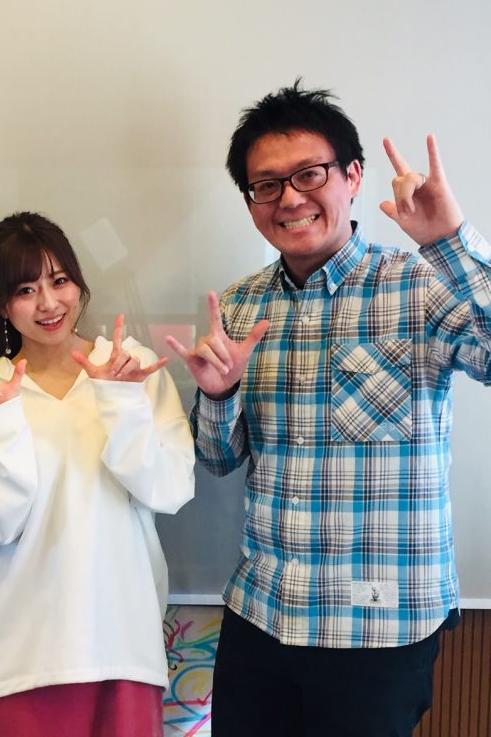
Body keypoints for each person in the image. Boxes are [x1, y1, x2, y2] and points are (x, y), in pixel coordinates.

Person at [165, 81, 491, 736]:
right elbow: (219, 461)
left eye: (309, 174)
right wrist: (219, 395)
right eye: (265, 185)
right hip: (262, 613)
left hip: (378, 624)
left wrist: (451, 241)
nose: (289, 198)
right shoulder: (240, 306)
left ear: (352, 176)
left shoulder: (422, 284)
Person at [0, 212, 195, 737]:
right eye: (25, 290)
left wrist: (120, 402)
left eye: (59, 281)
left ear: (79, 284)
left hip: (123, 645)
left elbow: (172, 489)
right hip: (19, 657)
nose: (48, 303)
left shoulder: (131, 368)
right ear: (1, 304)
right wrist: (3, 423)